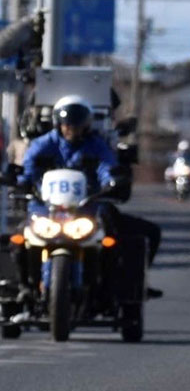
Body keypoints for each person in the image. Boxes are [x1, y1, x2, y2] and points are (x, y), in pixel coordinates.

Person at [17, 95, 162, 293]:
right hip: (45, 207)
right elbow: (29, 166)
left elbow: (106, 166)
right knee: (18, 239)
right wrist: (22, 181)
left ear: (85, 126)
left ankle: (115, 287)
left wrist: (111, 181)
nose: (71, 130)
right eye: (67, 125)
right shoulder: (43, 144)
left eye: (76, 126)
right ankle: (22, 286)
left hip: (87, 207)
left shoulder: (96, 145)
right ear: (58, 124)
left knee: (117, 239)